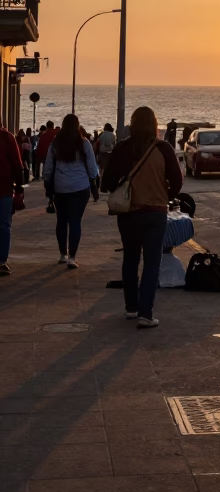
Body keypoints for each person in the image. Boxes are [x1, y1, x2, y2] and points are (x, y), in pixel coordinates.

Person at [102, 106, 183, 328]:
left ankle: (131, 307)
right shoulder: (164, 149)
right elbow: (177, 181)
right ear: (155, 125)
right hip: (155, 212)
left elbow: (106, 183)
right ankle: (146, 313)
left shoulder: (122, 148)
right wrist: (164, 194)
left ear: (132, 124)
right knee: (151, 262)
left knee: (130, 258)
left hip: (128, 213)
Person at [43, 114, 100, 269]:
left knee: (61, 221)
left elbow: (48, 167)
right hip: (80, 188)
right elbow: (92, 167)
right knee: (75, 222)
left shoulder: (56, 143)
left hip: (60, 188)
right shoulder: (84, 143)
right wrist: (94, 180)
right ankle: (72, 257)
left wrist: (48, 181)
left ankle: (62, 254)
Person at [0, 122, 25, 274]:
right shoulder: (7, 137)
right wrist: (20, 187)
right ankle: (1, 261)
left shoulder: (7, 137)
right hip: (4, 189)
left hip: (5, 188)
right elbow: (17, 163)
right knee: (4, 225)